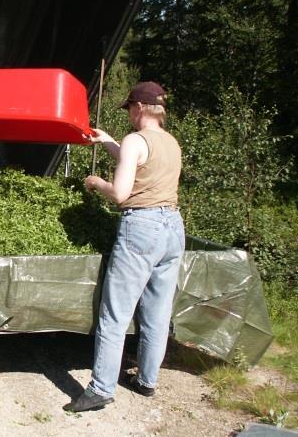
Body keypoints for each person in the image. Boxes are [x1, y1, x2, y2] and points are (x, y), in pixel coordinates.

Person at [67, 81, 185, 412]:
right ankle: (147, 381)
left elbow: (120, 193)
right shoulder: (171, 142)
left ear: (139, 108)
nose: (129, 116)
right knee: (157, 313)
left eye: (130, 109)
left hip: (142, 228)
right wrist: (107, 142)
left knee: (115, 313)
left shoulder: (136, 139)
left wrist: (96, 183)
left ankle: (101, 389)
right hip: (172, 228)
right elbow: (137, 164)